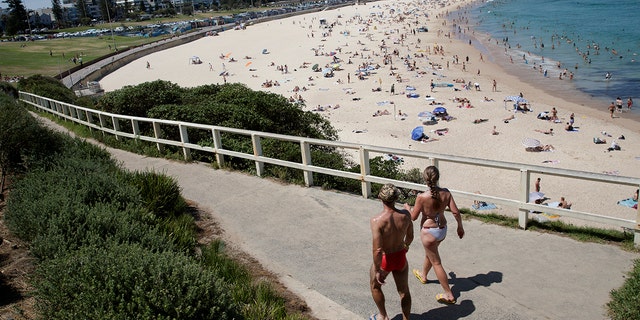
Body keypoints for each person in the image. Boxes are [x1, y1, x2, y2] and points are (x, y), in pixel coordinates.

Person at [404, 166, 464, 305]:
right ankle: (424, 275)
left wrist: (408, 208)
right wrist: (460, 227)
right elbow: (455, 212)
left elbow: (413, 217)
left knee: (436, 262)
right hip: (442, 230)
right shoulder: (446, 193)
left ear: (425, 179)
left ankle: (449, 294)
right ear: (438, 177)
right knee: (430, 253)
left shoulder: (422, 197)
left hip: (428, 232)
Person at [370, 184, 414, 320]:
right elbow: (411, 236)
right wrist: (406, 246)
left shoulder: (377, 221)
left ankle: (382, 316)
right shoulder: (406, 215)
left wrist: (377, 269)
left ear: (380, 198)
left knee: (375, 286)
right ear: (396, 198)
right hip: (400, 256)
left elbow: (377, 250)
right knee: (404, 291)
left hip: (385, 259)